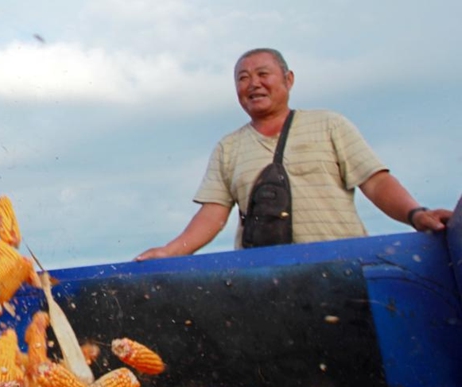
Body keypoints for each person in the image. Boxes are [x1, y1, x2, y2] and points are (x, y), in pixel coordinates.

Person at [135, 48, 452, 261]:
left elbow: (376, 183)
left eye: (263, 74)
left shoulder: (329, 124)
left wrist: (416, 214)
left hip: (341, 266)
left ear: (288, 80)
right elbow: (212, 215)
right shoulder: (227, 147)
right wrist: (170, 252)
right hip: (266, 278)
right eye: (243, 78)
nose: (253, 84)